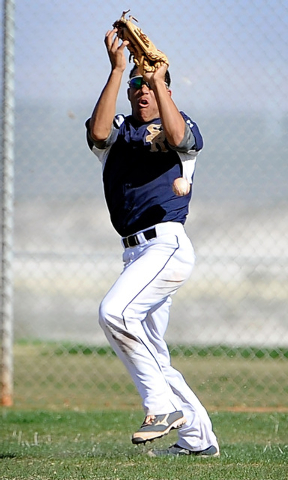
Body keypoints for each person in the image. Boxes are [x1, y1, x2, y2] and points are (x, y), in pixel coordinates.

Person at [85, 27, 219, 457]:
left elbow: (179, 137)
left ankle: (159, 408)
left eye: (150, 86)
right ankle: (199, 442)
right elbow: (97, 132)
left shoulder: (180, 128)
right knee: (155, 358)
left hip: (167, 246)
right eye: (136, 87)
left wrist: (160, 80)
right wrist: (119, 69)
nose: (142, 92)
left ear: (164, 89)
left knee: (114, 312)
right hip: (135, 253)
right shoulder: (121, 132)